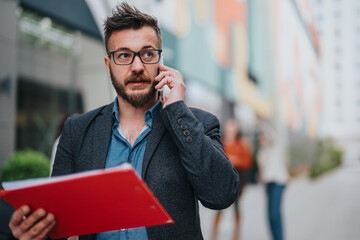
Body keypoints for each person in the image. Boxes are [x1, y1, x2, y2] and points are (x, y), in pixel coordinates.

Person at [8, 3, 240, 240]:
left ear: (161, 62)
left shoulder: (197, 124)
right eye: (124, 56)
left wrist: (179, 111)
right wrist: (32, 233)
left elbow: (221, 195)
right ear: (109, 66)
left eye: (148, 54)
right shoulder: (76, 132)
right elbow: (57, 223)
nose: (137, 66)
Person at [211, 119, 252, 240]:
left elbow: (248, 162)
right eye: (228, 129)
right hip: (221, 181)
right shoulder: (220, 143)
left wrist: (237, 160)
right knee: (219, 208)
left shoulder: (241, 144)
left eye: (233, 129)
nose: (230, 131)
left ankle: (236, 235)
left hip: (237, 181)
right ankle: (214, 235)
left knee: (237, 207)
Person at [258, 128, 289, 240]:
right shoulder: (262, 150)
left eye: (262, 136)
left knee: (275, 214)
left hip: (278, 182)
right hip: (268, 184)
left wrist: (261, 122)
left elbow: (273, 133)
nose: (260, 138)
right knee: (270, 216)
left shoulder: (275, 146)